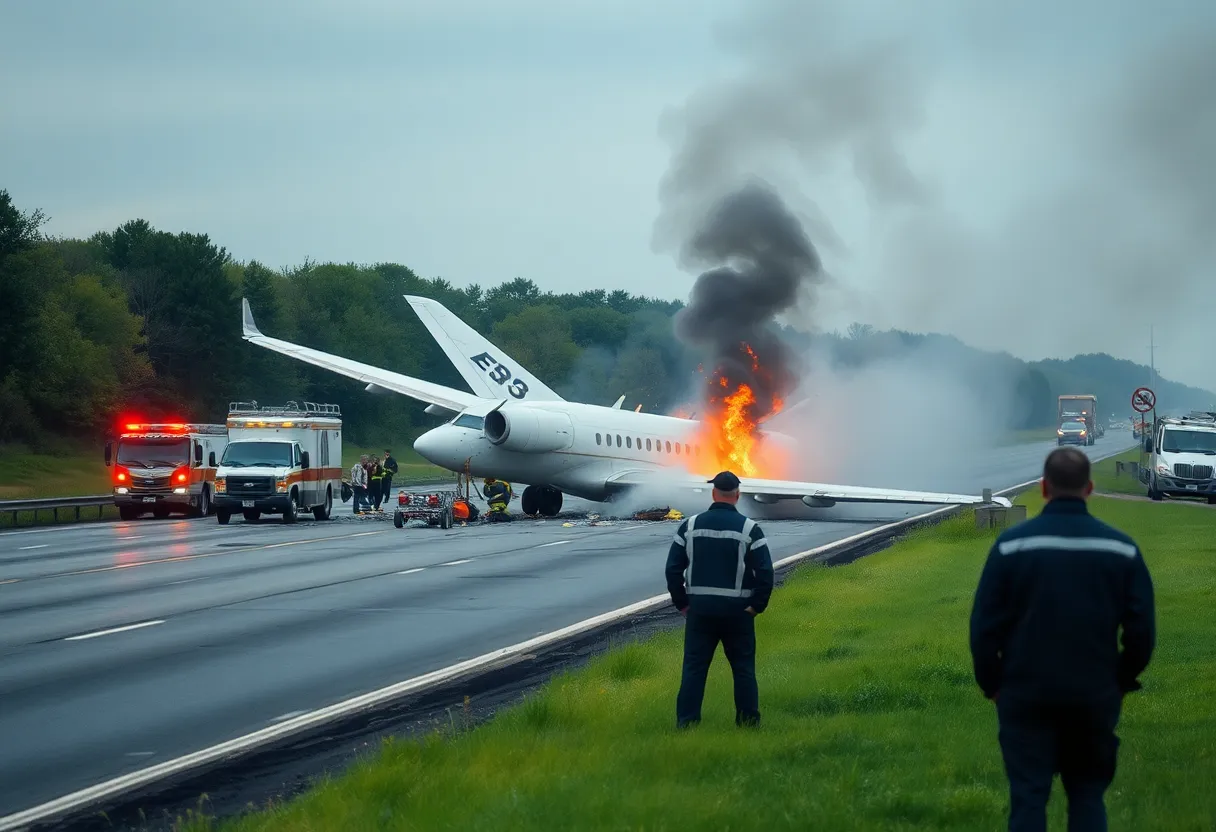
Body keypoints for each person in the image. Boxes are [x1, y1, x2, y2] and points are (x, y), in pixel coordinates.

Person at [970, 446, 1156, 832]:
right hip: (1093, 695)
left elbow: (984, 629)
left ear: (1043, 487)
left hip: (1025, 694)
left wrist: (994, 685)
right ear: (1089, 488)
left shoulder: (1010, 547)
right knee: (1087, 796)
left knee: (1028, 796)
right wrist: (1120, 681)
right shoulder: (1121, 549)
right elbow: (1141, 632)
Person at [665, 470, 774, 729]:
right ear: (737, 495)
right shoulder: (750, 529)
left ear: (713, 493)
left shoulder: (689, 526)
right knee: (743, 670)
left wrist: (682, 604)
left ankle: (687, 724)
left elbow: (672, 569)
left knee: (694, 669)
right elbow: (766, 572)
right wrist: (756, 607)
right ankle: (748, 724)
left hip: (700, 612)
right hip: (738, 613)